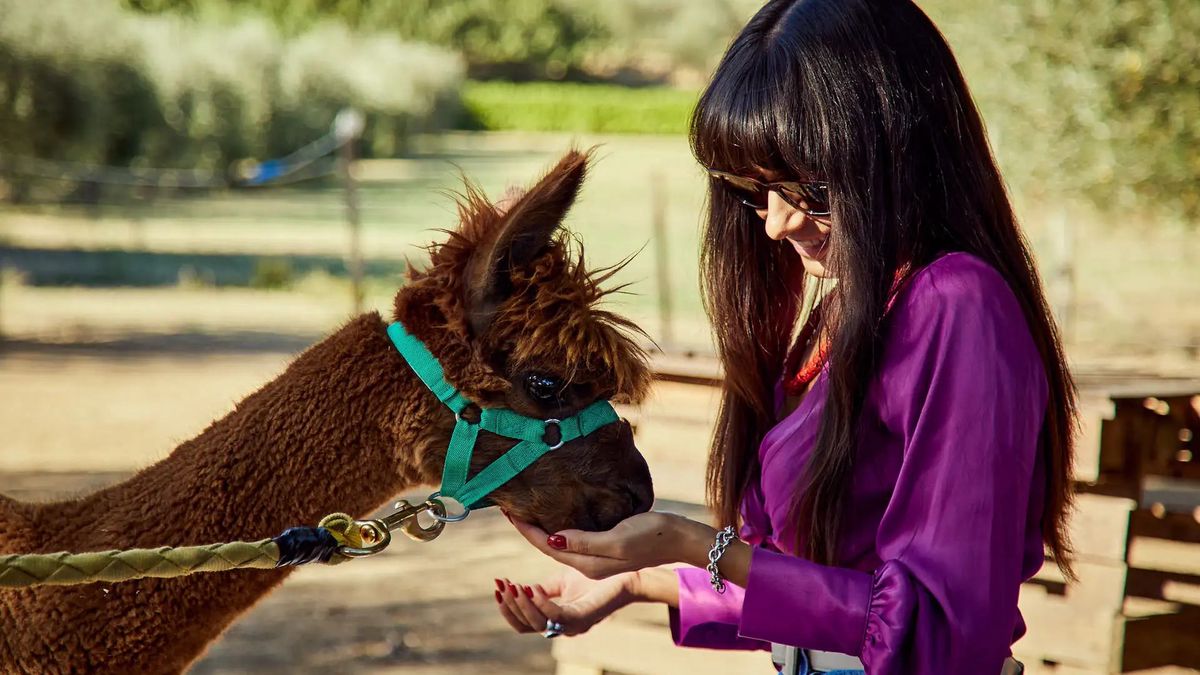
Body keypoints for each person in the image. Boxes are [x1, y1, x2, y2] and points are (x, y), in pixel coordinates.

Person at [492, 1, 1076, 673]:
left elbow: (935, 632)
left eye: (812, 188)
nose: (775, 223)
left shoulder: (957, 306)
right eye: (753, 189)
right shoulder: (844, 316)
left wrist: (692, 542)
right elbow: (815, 599)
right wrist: (631, 580)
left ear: (901, 155)